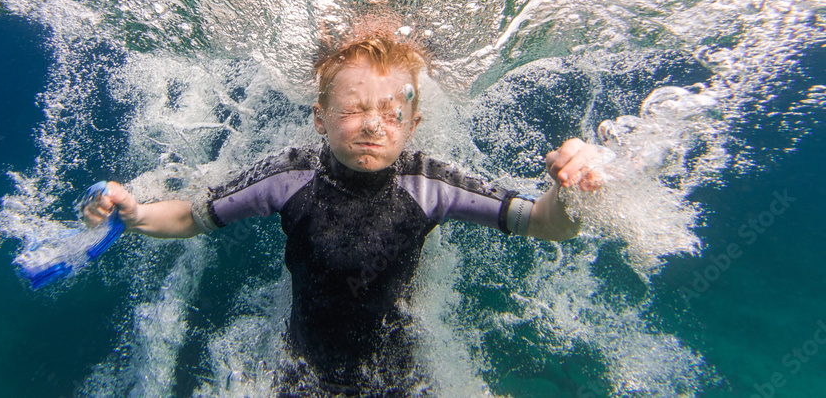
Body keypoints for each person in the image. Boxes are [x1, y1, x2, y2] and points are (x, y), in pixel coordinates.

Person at [82, 31, 603, 397]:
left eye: (391, 113)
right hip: (301, 377)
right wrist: (133, 213)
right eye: (354, 109)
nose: (373, 125)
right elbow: (191, 217)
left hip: (402, 381)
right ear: (320, 117)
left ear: (413, 123)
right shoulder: (289, 176)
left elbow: (543, 223)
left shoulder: (431, 183)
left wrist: (571, 193)